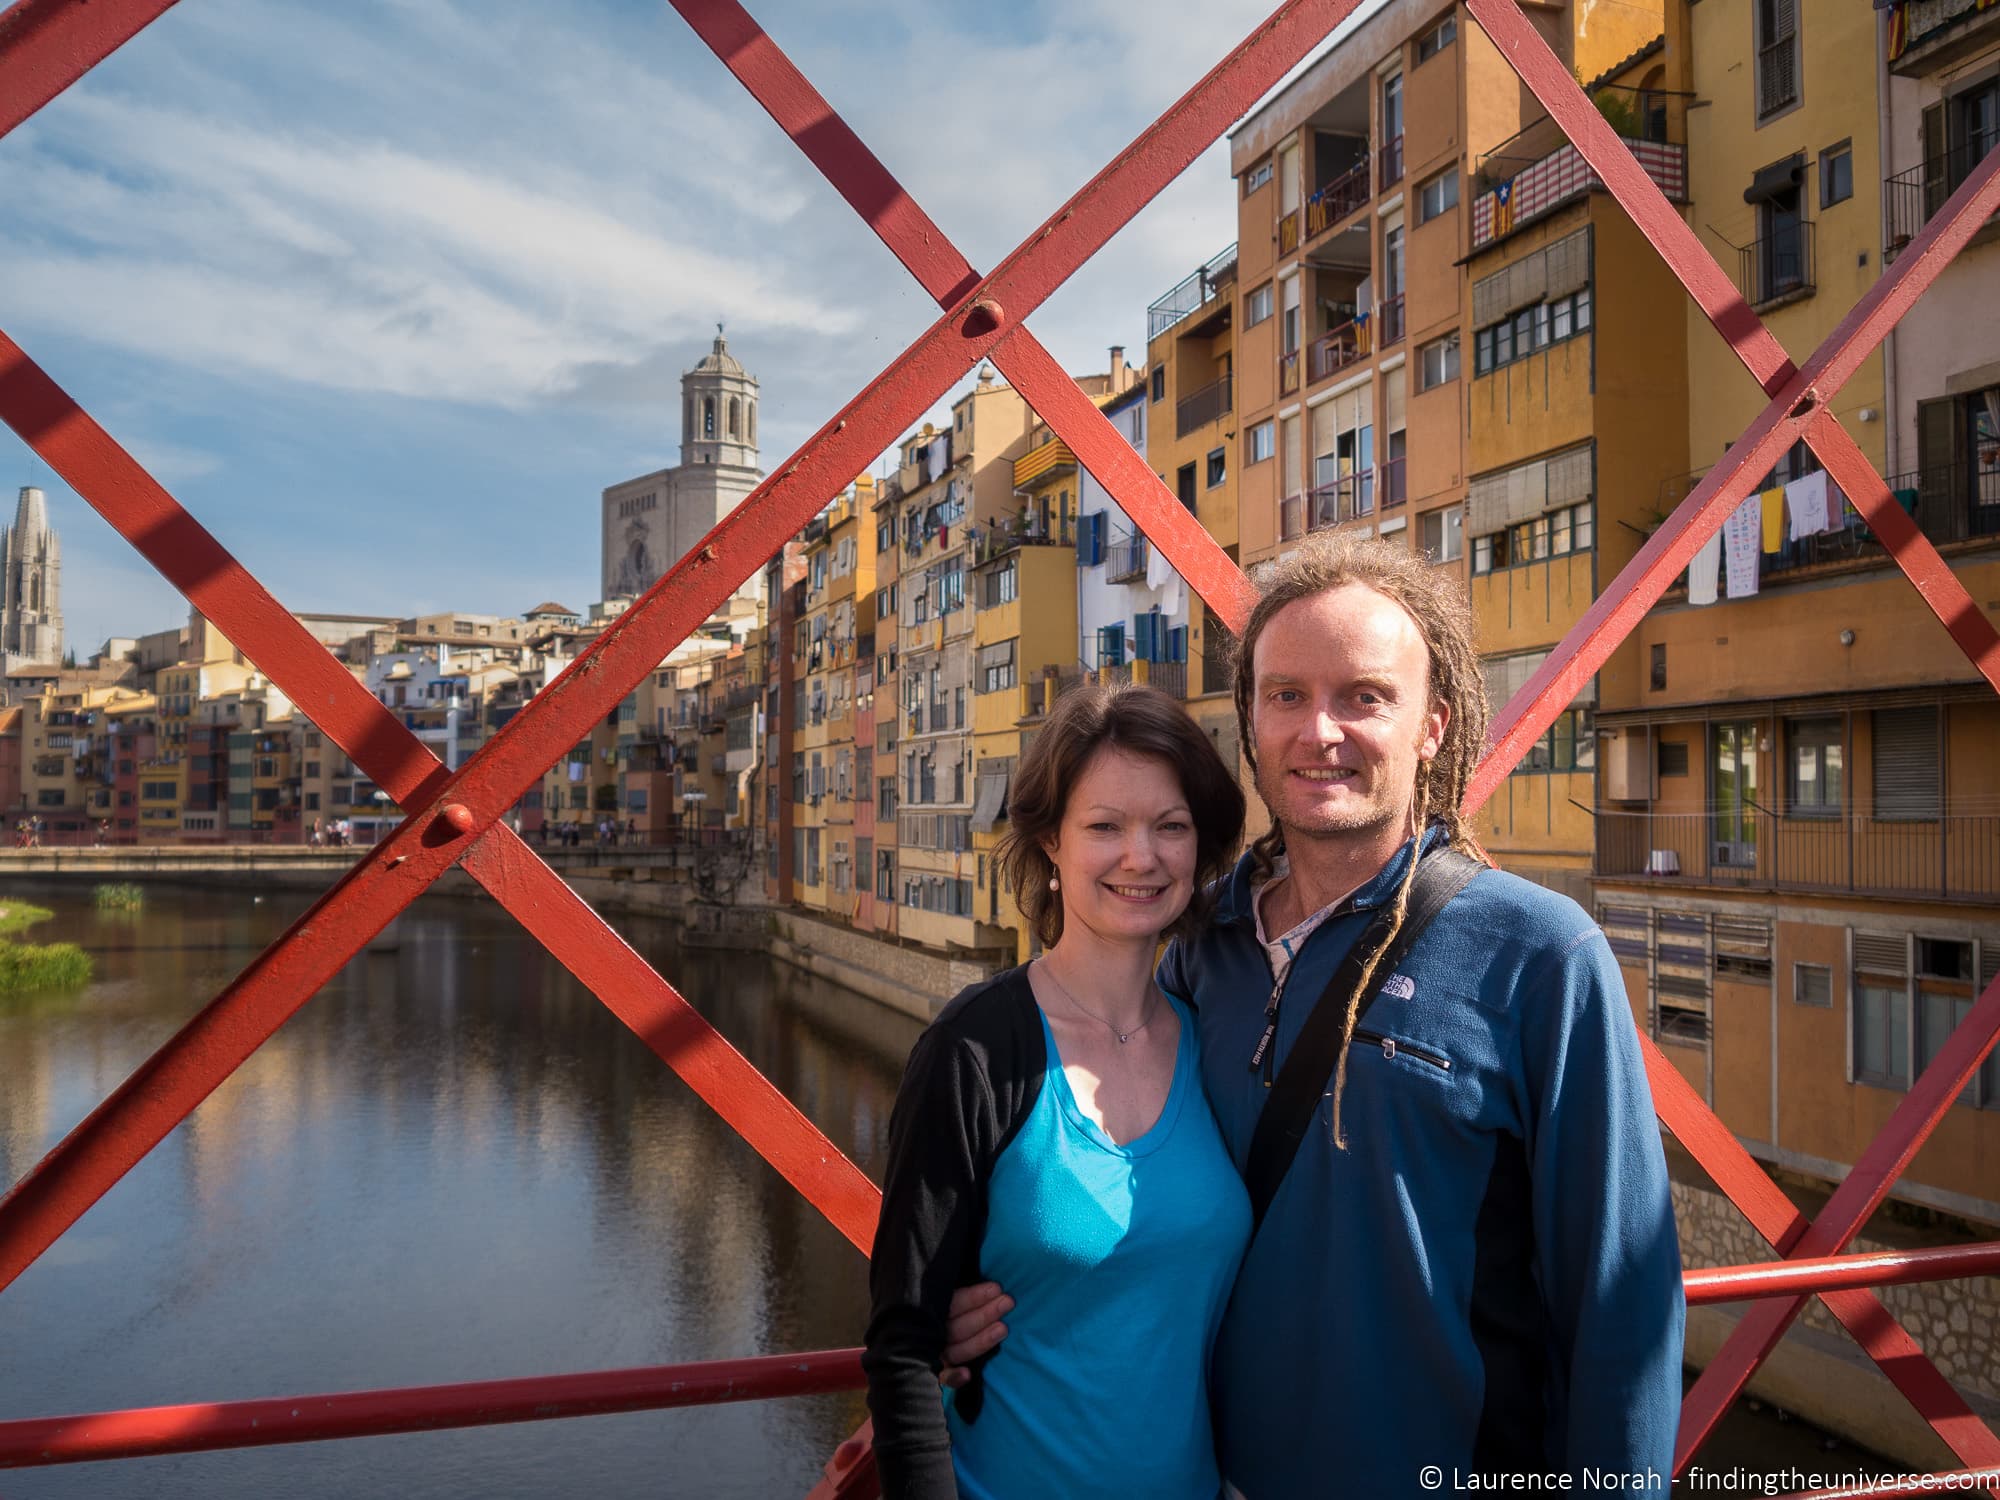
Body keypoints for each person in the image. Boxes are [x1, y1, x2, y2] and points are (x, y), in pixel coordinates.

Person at [944, 535, 1683, 1494]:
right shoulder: (1199, 942)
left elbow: (1621, 1308)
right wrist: (982, 1292)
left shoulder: (1542, 955)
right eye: (1285, 694)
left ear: (1433, 727)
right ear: (1249, 722)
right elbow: (1108, 1170)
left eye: (1364, 697)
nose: (1318, 731)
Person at [865, 684, 1250, 1500]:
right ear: (1048, 842)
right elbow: (903, 1347)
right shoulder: (975, 1051)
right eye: (1104, 826)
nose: (1140, 857)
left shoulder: (1212, 1042)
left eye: (1170, 827)